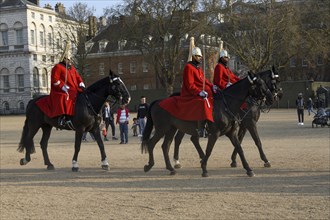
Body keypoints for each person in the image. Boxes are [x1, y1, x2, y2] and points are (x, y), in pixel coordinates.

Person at [159, 47, 216, 123]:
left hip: (200, 92)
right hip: (191, 93)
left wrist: (212, 86)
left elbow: (203, 80)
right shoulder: (188, 67)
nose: (200, 58)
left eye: (200, 56)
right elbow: (190, 84)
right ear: (193, 57)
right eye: (198, 56)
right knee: (202, 102)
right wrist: (199, 92)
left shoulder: (198, 69)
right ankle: (201, 127)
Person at [36, 42, 85, 128]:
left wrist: (81, 83)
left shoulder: (72, 68)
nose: (70, 61)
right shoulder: (58, 67)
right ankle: (63, 118)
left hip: (73, 89)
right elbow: (55, 79)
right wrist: (63, 86)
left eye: (70, 59)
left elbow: (77, 77)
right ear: (64, 59)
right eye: (68, 59)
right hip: (60, 90)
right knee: (64, 97)